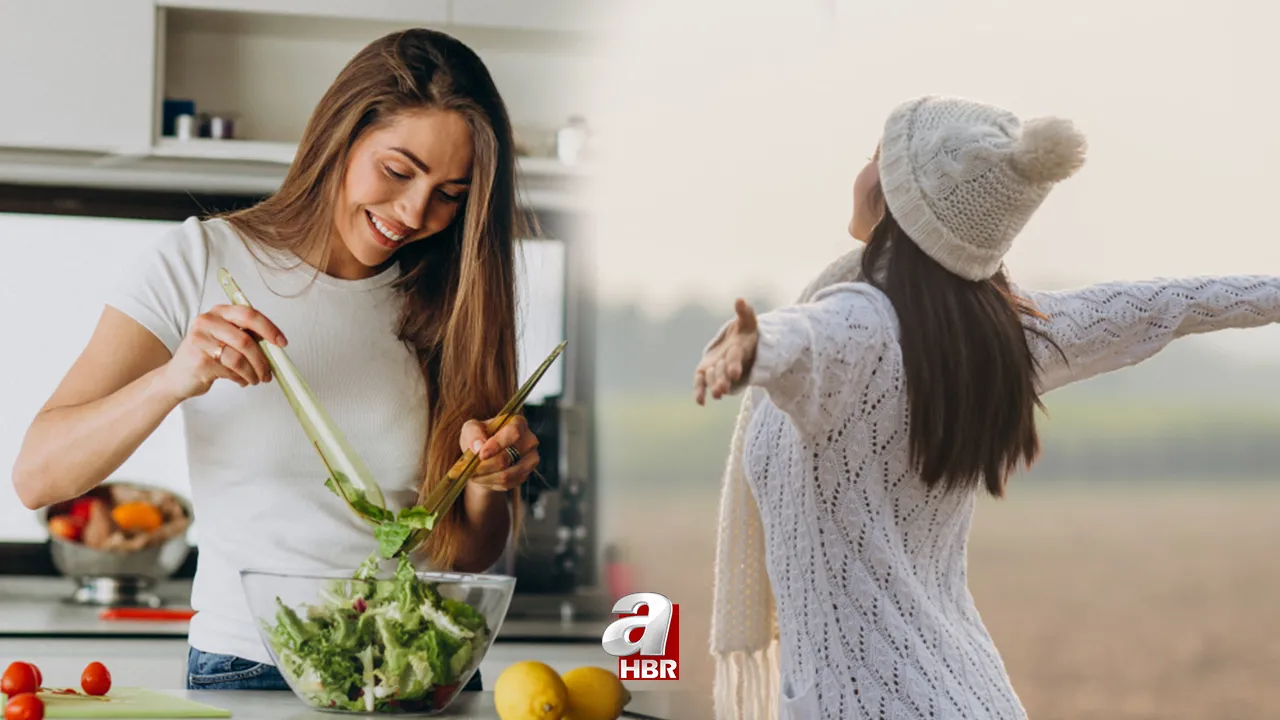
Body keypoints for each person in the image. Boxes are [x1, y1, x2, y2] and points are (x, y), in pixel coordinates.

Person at [693, 95, 1280, 719]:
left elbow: (809, 337)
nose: (862, 169)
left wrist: (756, 346)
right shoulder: (1002, 336)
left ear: (895, 198)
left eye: (875, 158)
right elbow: (1165, 303)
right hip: (968, 697)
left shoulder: (859, 325)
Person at [11, 29, 541, 692]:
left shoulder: (452, 299)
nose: (413, 212)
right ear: (341, 138)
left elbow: (464, 550)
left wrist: (491, 481)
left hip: (421, 668)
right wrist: (174, 378)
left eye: (449, 194)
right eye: (398, 171)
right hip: (252, 666)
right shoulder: (201, 263)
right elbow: (37, 476)